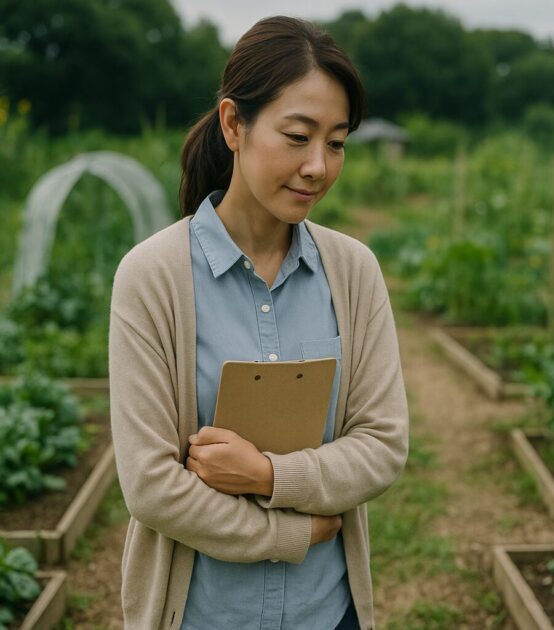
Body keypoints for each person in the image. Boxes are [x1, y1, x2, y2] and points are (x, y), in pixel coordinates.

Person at [108, 16, 409, 630]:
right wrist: (291, 530)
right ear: (232, 125)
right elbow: (151, 486)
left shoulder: (353, 271)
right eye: (297, 136)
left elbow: (382, 445)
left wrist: (270, 475)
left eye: (337, 142)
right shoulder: (152, 277)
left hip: (329, 613)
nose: (318, 166)